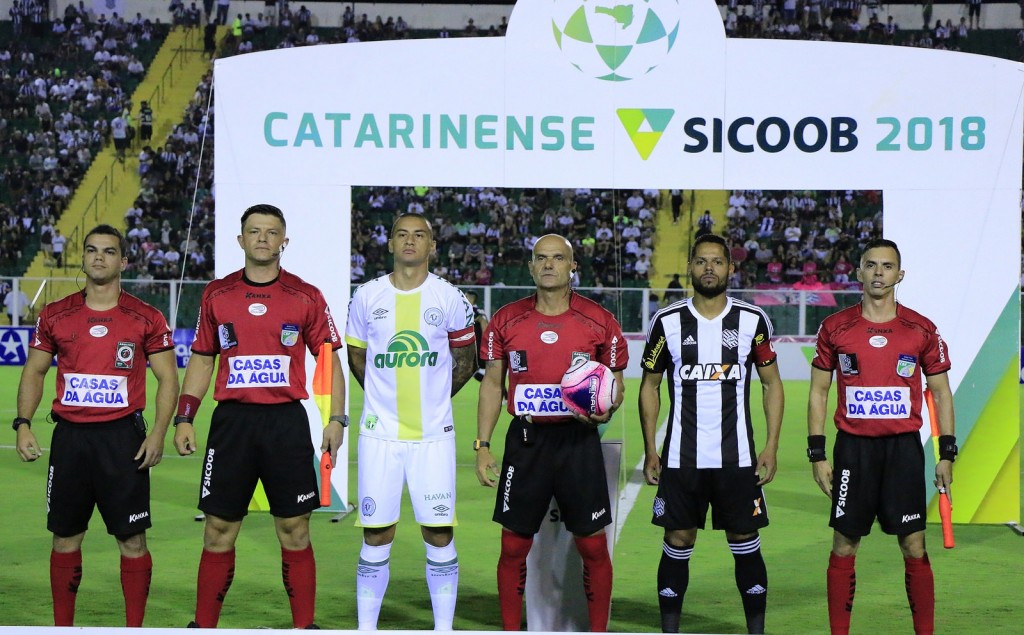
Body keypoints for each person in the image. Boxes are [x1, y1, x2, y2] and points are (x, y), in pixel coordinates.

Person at [173, 204, 346, 629]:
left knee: (295, 529)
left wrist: (336, 420)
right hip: (232, 424)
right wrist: (185, 416)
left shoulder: (306, 295)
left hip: (285, 423)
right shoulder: (217, 294)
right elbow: (201, 358)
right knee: (218, 529)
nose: (263, 238)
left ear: (283, 241)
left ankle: (304, 626)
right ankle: (204, 624)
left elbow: (329, 361)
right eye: (255, 231)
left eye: (272, 232)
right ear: (241, 240)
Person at [13, 224, 179, 626]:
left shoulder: (146, 317)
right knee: (66, 537)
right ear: (83, 259)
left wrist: (158, 433)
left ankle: (134, 629)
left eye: (108, 251)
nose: (99, 257)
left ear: (123, 261)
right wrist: (23, 424)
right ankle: (62, 629)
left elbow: (169, 378)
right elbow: (34, 372)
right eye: (91, 250)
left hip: (123, 440)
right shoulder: (55, 314)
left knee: (132, 539)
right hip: (70, 439)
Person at [476, 233, 627, 632]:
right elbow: (493, 384)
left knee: (593, 544)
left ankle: (598, 631)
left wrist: (605, 408)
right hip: (526, 443)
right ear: (530, 266)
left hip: (578, 443)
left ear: (572, 266)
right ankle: (512, 630)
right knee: (513, 545)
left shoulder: (600, 321)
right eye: (541, 258)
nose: (548, 265)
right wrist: (483, 444)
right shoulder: (505, 320)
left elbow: (616, 385)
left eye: (558, 258)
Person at [807, 238, 955, 635]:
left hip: (903, 451)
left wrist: (947, 454)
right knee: (844, 545)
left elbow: (940, 391)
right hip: (853, 451)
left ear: (899, 275)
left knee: (913, 546)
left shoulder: (921, 329)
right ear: (858, 272)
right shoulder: (835, 327)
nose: (878, 272)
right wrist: (817, 454)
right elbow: (819, 390)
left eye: (886, 266)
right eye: (870, 265)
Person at [638, 233, 784, 635]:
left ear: (730, 268)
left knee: (744, 536)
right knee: (678, 537)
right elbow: (649, 385)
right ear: (690, 268)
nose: (709, 268)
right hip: (682, 459)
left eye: (717, 261)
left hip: (737, 459)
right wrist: (651, 449)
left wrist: (770, 447)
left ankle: (757, 631)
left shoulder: (752, 320)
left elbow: (771, 383)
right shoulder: (667, 321)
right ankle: (671, 630)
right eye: (701, 261)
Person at [345, 213, 477, 630]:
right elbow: (357, 355)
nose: (410, 241)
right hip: (378, 436)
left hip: (433, 437)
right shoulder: (366, 296)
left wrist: (435, 398)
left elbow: (466, 360)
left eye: (419, 235)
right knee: (376, 532)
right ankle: (367, 628)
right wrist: (383, 400)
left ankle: (442, 628)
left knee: (439, 533)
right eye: (402, 234)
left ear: (432, 246)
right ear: (389, 243)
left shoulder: (450, 297)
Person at [464, 288, 489, 381]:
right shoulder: (479, 312)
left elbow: (486, 329)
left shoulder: (477, 312)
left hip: (476, 348)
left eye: (465, 296)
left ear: (470, 298)